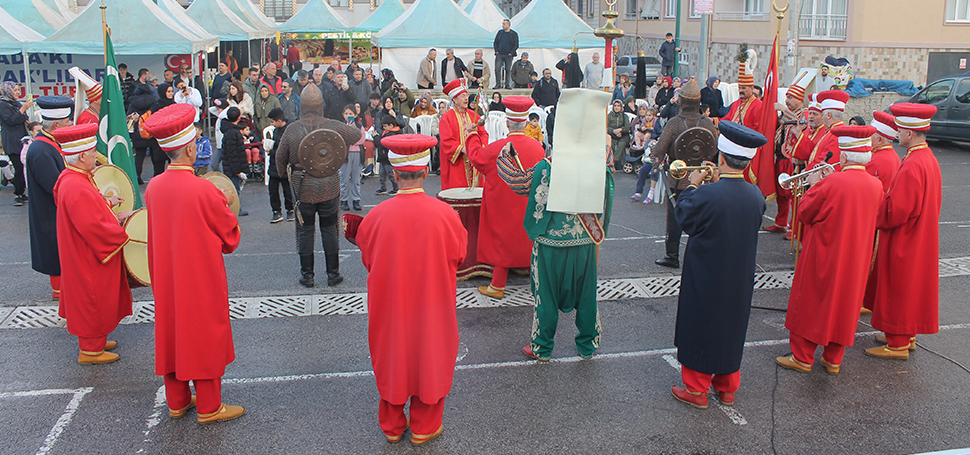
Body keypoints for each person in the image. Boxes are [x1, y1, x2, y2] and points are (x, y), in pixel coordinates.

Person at [356, 134, 466, 445]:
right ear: (424, 171)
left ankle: (392, 425)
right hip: (432, 303)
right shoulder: (447, 215)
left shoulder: (375, 217)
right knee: (430, 353)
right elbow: (459, 257)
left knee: (392, 354)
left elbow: (368, 259)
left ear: (394, 173)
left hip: (390, 305)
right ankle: (424, 425)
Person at [143, 103, 245, 424]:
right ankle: (209, 406)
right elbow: (230, 238)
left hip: (167, 277)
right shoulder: (204, 190)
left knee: (172, 331)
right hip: (199, 279)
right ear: (190, 148)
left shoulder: (153, 187)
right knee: (203, 335)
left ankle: (177, 400)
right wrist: (226, 204)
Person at [497, 98, 613, 361]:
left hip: (551, 242)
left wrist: (505, 159)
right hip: (584, 239)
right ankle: (587, 345)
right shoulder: (598, 162)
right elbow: (607, 191)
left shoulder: (549, 165)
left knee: (545, 297)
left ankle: (542, 347)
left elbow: (520, 183)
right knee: (587, 295)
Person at [669, 120, 766, 410]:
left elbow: (684, 216)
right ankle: (727, 388)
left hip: (706, 272)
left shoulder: (706, 194)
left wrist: (692, 183)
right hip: (740, 273)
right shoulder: (757, 196)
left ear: (720, 158)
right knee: (732, 325)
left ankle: (697, 389)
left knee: (701, 324)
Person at [776, 125, 884, 376]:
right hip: (856, 257)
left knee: (812, 302)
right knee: (844, 305)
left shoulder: (832, 182)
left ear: (844, 156)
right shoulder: (876, 185)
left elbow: (804, 213)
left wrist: (814, 185)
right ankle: (833, 359)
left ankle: (802, 356)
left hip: (824, 254)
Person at [50, 123, 131, 365]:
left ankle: (95, 338)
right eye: (94, 151)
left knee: (92, 298)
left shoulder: (72, 177)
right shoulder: (77, 184)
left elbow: (90, 211)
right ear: (82, 155)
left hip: (80, 249)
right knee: (92, 298)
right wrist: (123, 232)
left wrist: (109, 205)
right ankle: (90, 349)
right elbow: (93, 226)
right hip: (88, 253)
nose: (96, 155)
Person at [865, 103, 942, 360]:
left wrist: (877, 203)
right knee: (910, 286)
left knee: (898, 285)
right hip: (919, 233)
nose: (896, 134)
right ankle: (905, 334)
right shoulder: (926, 158)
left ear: (910, 133)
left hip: (905, 236)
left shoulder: (912, 164)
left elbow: (896, 210)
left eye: (899, 131)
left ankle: (897, 342)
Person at [276, 84, 362, 288]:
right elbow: (356, 135)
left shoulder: (292, 129)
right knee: (330, 230)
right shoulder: (332, 125)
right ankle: (333, 275)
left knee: (305, 231)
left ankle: (308, 276)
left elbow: (280, 159)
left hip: (303, 185)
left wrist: (283, 173)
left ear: (302, 105)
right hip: (328, 183)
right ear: (320, 105)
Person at [467, 96, 546, 299]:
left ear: (507, 123)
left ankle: (497, 285)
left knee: (503, 240)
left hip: (502, 204)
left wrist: (472, 134)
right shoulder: (538, 147)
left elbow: (475, 158)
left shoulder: (496, 148)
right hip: (528, 202)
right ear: (526, 122)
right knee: (528, 238)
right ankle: (537, 282)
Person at [649, 80, 716, 269]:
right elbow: (713, 150)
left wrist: (655, 157)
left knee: (675, 219)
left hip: (678, 179)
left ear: (682, 101)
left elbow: (660, 149)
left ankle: (672, 256)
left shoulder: (675, 123)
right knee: (702, 218)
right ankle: (702, 257)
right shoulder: (708, 123)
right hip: (702, 178)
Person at [27, 96, 73, 300]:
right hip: (49, 214)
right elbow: (55, 186)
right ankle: (61, 294)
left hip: (54, 212)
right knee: (55, 252)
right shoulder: (41, 150)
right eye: (68, 122)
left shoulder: (49, 143)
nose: (70, 124)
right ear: (57, 125)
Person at [763, 80, 809, 234]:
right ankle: (781, 223)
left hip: (794, 159)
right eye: (787, 97)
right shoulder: (786, 114)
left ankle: (794, 227)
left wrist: (784, 110)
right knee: (781, 194)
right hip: (780, 157)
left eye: (790, 97)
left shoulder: (805, 113)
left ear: (799, 99)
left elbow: (800, 124)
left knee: (793, 194)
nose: (787, 101)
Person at [439, 78, 487, 189]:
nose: (466, 98)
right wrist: (463, 148)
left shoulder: (474, 115)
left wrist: (480, 148)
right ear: (454, 99)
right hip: (458, 161)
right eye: (462, 96)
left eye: (466, 95)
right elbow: (446, 141)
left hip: (474, 162)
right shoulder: (447, 118)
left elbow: (483, 134)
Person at [0, 82, 31, 205]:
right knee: (18, 167)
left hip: (22, 139)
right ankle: (18, 194)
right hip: (12, 142)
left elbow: (23, 117)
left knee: (24, 167)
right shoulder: (2, 105)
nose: (18, 92)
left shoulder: (16, 103)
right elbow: (11, 120)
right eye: (16, 90)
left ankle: (22, 192)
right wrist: (22, 109)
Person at [264, 108, 294, 223]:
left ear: (279, 120)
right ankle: (276, 211)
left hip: (284, 165)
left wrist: (271, 152)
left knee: (287, 190)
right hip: (274, 166)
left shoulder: (288, 131)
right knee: (273, 190)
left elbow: (285, 151)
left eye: (272, 121)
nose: (271, 124)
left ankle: (290, 209)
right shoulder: (276, 130)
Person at [808, 90, 850, 169]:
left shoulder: (836, 134)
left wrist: (806, 172)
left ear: (828, 115)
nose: (822, 118)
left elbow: (824, 162)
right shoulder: (832, 131)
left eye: (823, 114)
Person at [220, 107, 249, 216]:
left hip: (229, 165)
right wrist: (237, 171)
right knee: (234, 189)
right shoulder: (233, 132)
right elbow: (233, 153)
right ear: (238, 117)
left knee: (234, 187)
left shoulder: (228, 130)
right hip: (232, 167)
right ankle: (235, 209)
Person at [340, 105, 366, 211]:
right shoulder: (342, 126)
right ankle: (344, 200)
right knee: (344, 178)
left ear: (355, 115)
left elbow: (361, 138)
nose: (348, 116)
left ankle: (356, 199)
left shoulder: (359, 126)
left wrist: (351, 141)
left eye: (350, 114)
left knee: (356, 178)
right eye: (346, 114)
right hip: (345, 154)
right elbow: (341, 138)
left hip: (357, 153)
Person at [724, 60, 762, 130]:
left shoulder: (759, 105)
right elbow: (727, 120)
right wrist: (713, 120)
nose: (741, 90)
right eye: (739, 88)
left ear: (752, 88)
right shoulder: (736, 103)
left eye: (744, 88)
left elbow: (758, 127)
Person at [374, 114, 404, 195]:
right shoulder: (387, 132)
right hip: (384, 157)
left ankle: (396, 188)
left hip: (388, 158)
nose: (384, 128)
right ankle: (383, 187)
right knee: (382, 174)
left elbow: (381, 143)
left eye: (385, 126)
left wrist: (375, 137)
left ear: (391, 125)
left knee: (390, 173)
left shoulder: (391, 134)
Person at [493, 19, 519, 89]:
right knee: (497, 69)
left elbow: (516, 44)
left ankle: (507, 84)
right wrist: (496, 51)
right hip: (500, 54)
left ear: (508, 25)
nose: (503, 25)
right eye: (503, 24)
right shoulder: (500, 33)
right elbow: (495, 42)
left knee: (508, 69)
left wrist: (511, 53)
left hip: (508, 55)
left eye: (504, 24)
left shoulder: (513, 34)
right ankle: (498, 84)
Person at [607, 99, 631, 170]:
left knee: (622, 144)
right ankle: (611, 161)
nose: (616, 107)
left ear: (621, 107)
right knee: (612, 144)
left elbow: (627, 127)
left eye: (618, 106)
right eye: (615, 106)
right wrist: (614, 131)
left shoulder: (625, 116)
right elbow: (606, 127)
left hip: (623, 135)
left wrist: (621, 130)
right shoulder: (609, 116)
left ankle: (614, 161)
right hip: (612, 134)